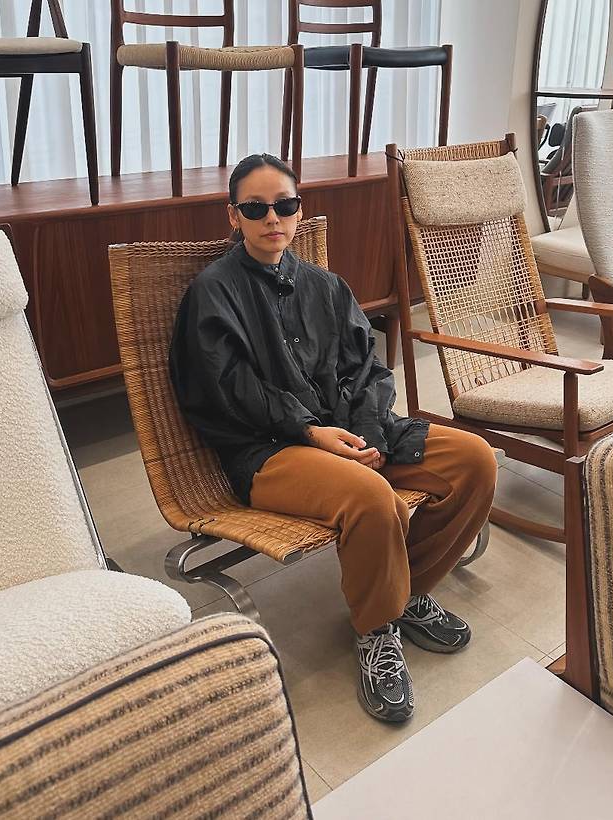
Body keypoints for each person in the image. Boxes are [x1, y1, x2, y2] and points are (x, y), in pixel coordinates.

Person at [169, 153, 497, 723]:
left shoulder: (326, 286)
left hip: (350, 432)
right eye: (255, 208)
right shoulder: (213, 293)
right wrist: (311, 431)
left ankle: (403, 592)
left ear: (300, 211)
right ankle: (377, 629)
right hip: (270, 451)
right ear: (233, 216)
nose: (273, 218)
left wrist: (367, 434)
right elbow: (228, 390)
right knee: (371, 498)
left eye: (285, 204)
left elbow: (367, 369)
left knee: (474, 460)